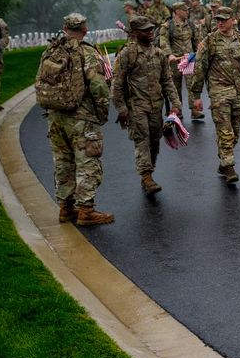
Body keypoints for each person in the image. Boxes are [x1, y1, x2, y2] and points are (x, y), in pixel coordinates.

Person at [40, 13, 115, 225]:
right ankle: (86, 211)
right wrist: (102, 113)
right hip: (81, 118)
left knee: (63, 162)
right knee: (87, 163)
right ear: (85, 29)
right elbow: (99, 86)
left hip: (55, 117)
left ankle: (65, 208)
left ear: (65, 29)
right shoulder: (87, 52)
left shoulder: (51, 50)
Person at [189, 6, 240, 184]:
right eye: (217, 19)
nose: (220, 23)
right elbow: (200, 68)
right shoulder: (210, 41)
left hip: (238, 92)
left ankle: (224, 162)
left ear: (233, 20)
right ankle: (230, 166)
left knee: (235, 131)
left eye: (223, 19)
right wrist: (196, 95)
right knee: (225, 131)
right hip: (219, 93)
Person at [113, 16, 181, 195]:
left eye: (151, 29)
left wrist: (175, 103)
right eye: (146, 30)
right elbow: (117, 83)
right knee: (142, 139)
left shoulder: (159, 54)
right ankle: (146, 176)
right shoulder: (128, 54)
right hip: (137, 106)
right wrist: (121, 108)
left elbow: (167, 81)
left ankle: (149, 171)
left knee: (154, 139)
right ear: (135, 33)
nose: (151, 33)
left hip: (156, 106)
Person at [158, 1, 203, 120]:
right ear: (177, 11)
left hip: (189, 58)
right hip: (175, 61)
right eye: (185, 10)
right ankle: (178, 110)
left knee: (191, 84)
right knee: (175, 86)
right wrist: (169, 54)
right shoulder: (167, 26)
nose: (187, 12)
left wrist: (199, 51)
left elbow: (196, 40)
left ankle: (194, 110)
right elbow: (163, 42)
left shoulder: (191, 25)